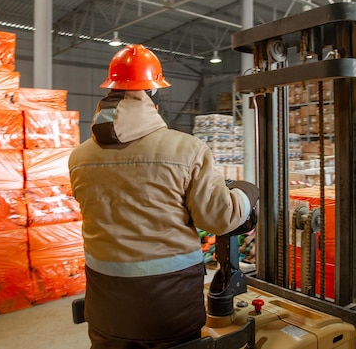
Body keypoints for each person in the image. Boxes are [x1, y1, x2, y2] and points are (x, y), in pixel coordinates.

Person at [68, 44, 259, 349]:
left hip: (105, 304)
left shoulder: (79, 156)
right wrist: (247, 192)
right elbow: (220, 219)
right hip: (167, 305)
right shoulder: (185, 149)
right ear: (151, 96)